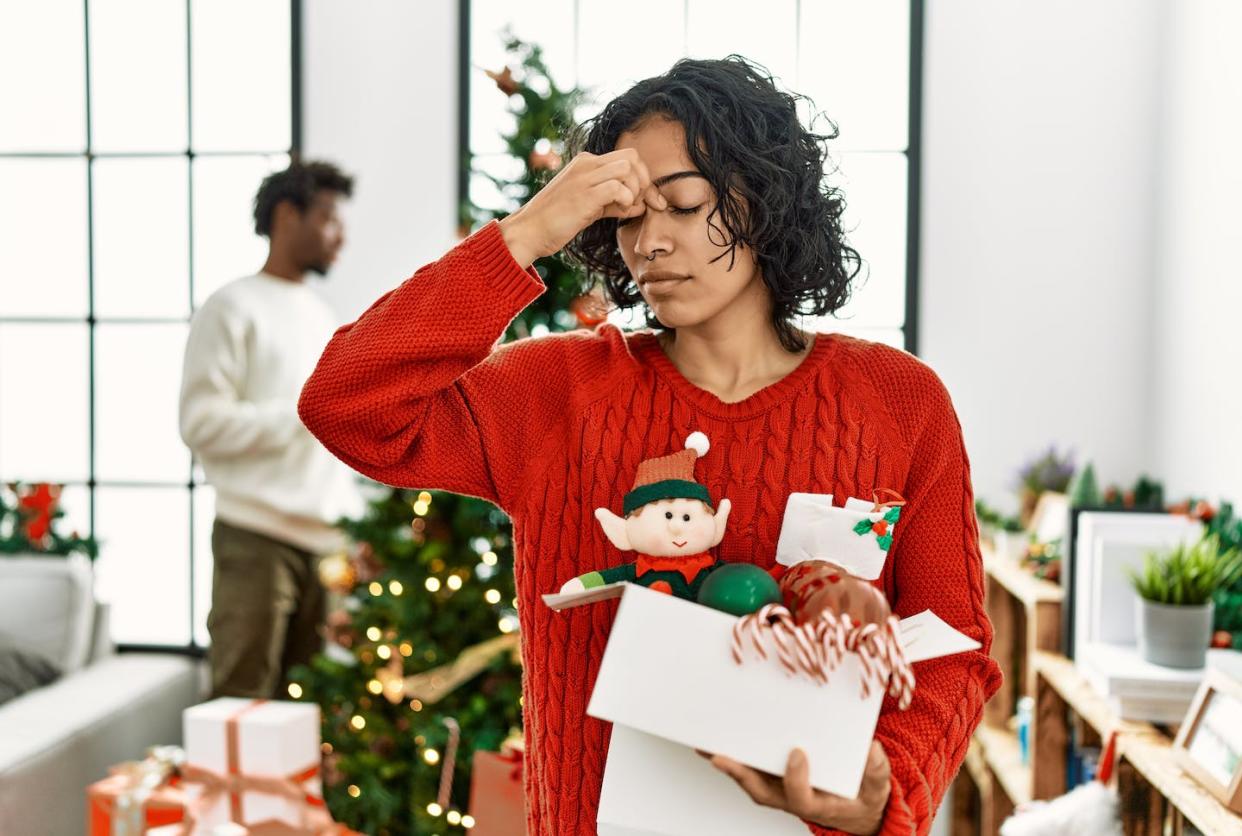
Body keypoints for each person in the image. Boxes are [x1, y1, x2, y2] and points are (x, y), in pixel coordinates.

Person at [299, 58, 1001, 835]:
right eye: (628, 217)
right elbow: (346, 402)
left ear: (765, 199)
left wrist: (885, 795)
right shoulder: (556, 392)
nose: (650, 243)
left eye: (683, 203)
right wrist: (527, 233)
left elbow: (953, 650)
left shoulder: (900, 403)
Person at [180, 160, 363, 699]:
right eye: (329, 217)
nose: (341, 235)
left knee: (307, 715)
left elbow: (332, 436)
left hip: (326, 547)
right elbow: (200, 423)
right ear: (288, 215)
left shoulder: (323, 314)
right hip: (256, 539)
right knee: (242, 703)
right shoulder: (231, 307)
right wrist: (302, 415)